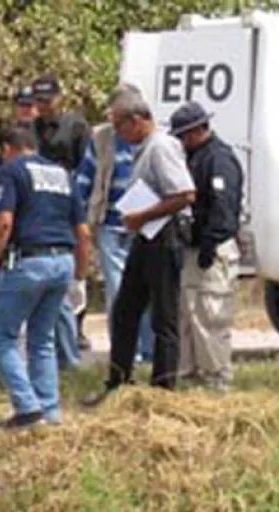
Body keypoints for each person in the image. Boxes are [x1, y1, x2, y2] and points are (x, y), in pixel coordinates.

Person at [82, 90, 196, 406]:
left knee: (164, 317)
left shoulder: (161, 147)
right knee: (125, 309)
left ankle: (163, 390)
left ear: (137, 120)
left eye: (120, 126)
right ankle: (118, 380)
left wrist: (143, 215)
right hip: (145, 237)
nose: (118, 134)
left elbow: (185, 194)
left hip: (165, 235)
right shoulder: (144, 148)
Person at [0, 126, 89, 429]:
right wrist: (80, 276)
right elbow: (83, 230)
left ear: (8, 148)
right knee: (43, 341)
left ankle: (27, 408)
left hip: (29, 261)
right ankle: (49, 411)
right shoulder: (63, 175)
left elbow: (3, 223)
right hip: (62, 261)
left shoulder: (11, 170)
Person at [74, 84, 154, 362]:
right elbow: (85, 178)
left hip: (145, 224)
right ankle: (125, 352)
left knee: (146, 290)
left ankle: (148, 350)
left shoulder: (153, 137)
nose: (115, 122)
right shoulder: (101, 138)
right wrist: (78, 215)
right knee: (118, 291)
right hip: (110, 224)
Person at [169, 101, 243, 391]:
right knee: (190, 317)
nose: (182, 141)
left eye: (185, 135)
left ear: (199, 129)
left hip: (213, 251)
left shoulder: (219, 159)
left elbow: (223, 209)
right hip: (193, 249)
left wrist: (210, 244)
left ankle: (216, 381)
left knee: (211, 317)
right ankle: (193, 376)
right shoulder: (194, 157)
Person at [33, 73, 92, 356]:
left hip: (68, 201)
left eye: (47, 100)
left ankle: (76, 328)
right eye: (39, 101)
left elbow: (86, 167)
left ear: (58, 98)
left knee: (73, 263)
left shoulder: (76, 126)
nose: (43, 106)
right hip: (40, 204)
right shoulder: (32, 129)